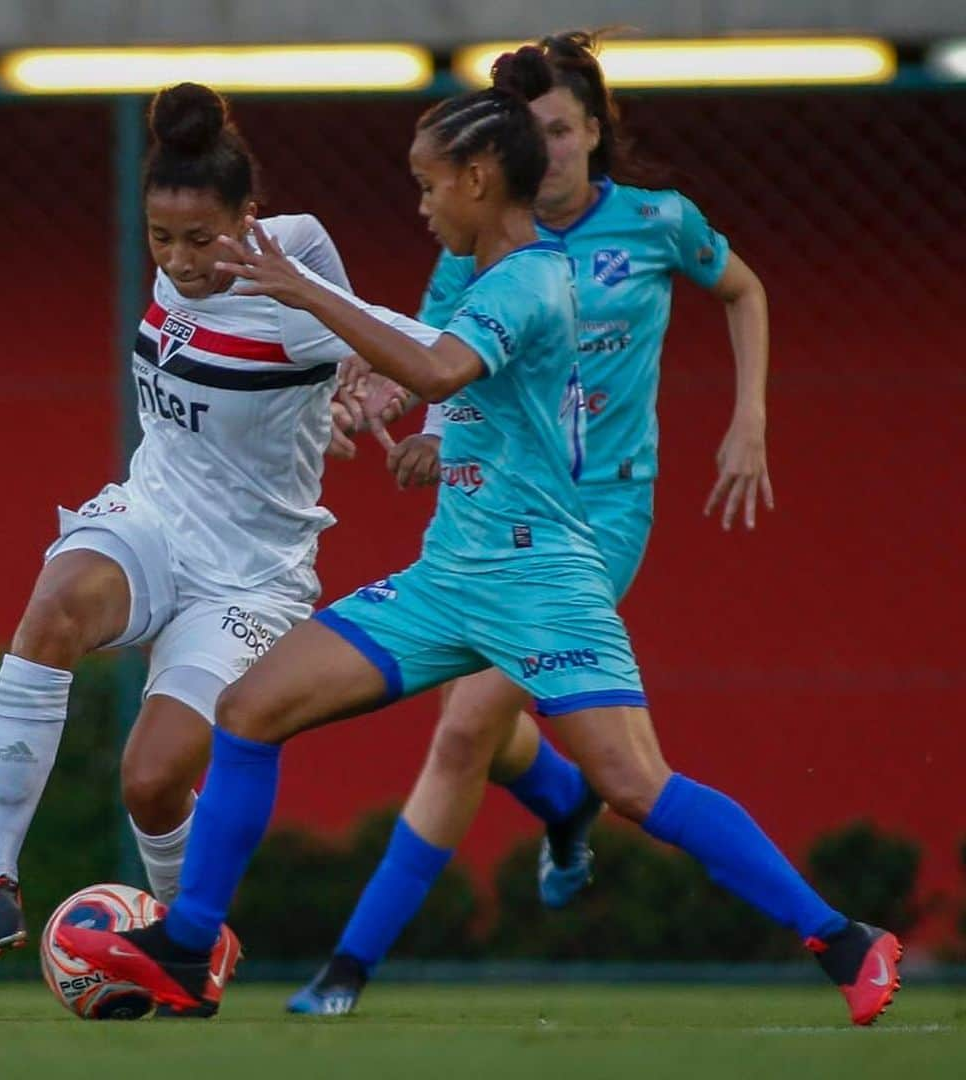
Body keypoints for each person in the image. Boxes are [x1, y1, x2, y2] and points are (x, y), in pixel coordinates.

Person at [55, 50, 901, 1027]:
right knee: (249, 709)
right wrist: (382, 402)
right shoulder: (480, 274)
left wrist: (306, 295)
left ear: (477, 180)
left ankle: (844, 938)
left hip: (542, 577)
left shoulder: (531, 280)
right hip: (450, 577)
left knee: (633, 783)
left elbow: (444, 369)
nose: (420, 207)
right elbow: (437, 381)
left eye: (426, 186)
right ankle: (189, 943)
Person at [288, 28, 775, 1015]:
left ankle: (347, 970)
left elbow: (743, 290)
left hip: (596, 522)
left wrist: (749, 421)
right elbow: (432, 368)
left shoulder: (657, 222)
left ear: (596, 131)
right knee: (484, 727)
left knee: (466, 724)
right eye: (532, 131)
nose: (549, 148)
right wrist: (404, 422)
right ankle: (561, 799)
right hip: (500, 519)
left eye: (562, 128)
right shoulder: (475, 252)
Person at [0, 82, 428, 991]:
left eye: (201, 240)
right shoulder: (285, 236)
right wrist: (354, 358)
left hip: (251, 580)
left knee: (151, 781)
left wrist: (389, 386)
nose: (178, 263)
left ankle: (187, 944)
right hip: (152, 518)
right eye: (160, 239)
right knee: (53, 609)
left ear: (244, 223)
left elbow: (447, 351)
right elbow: (328, 262)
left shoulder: (288, 302)